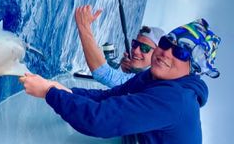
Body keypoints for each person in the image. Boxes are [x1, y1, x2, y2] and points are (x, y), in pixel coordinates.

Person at [20, 18, 220, 143]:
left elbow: (99, 121)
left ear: (193, 69)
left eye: (181, 52)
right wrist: (66, 91)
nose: (166, 53)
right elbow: (110, 95)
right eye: (166, 42)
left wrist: (50, 93)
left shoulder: (177, 100)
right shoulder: (151, 76)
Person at [75, 5, 165, 87]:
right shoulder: (144, 74)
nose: (136, 51)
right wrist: (131, 69)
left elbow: (104, 74)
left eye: (145, 48)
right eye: (135, 44)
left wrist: (84, 25)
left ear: (157, 54)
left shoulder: (147, 83)